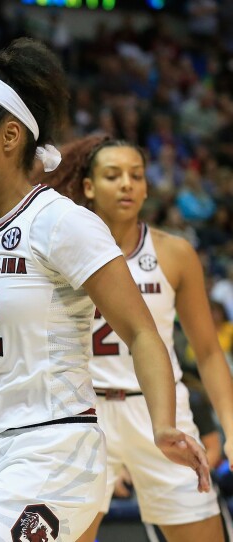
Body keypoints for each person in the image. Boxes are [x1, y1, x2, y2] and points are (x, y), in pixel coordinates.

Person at [0, 39, 210, 542]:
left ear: (9, 136)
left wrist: (164, 424)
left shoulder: (63, 223)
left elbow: (141, 331)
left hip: (53, 447)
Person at [40, 135, 233, 542]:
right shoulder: (57, 249)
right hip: (83, 414)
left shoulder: (175, 253)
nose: (127, 184)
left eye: (136, 176)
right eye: (113, 175)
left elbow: (209, 352)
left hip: (158, 410)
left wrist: (231, 426)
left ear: (147, 188)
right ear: (89, 187)